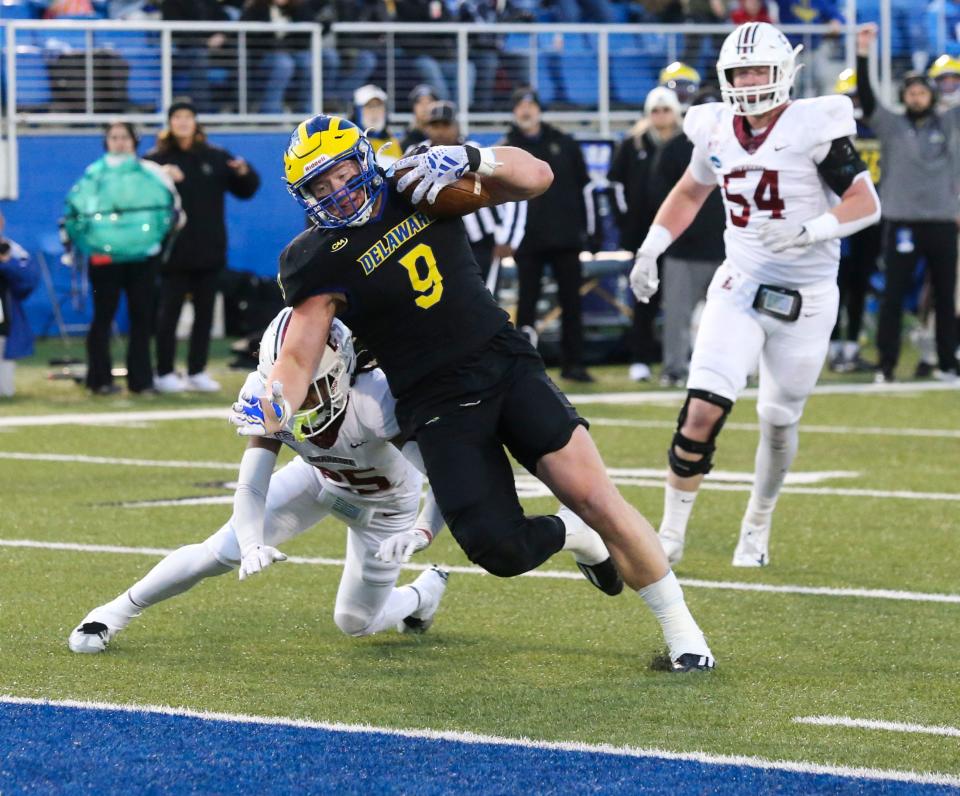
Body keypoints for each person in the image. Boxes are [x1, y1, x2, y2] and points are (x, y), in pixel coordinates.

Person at [235, 113, 716, 672]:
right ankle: (573, 536)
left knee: (594, 493)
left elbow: (536, 177)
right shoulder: (314, 258)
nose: (337, 193)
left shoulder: (414, 184)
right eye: (320, 186)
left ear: (362, 161)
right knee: (498, 550)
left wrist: (473, 157)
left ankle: (685, 637)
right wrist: (276, 402)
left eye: (341, 174)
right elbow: (298, 357)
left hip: (501, 361)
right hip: (432, 402)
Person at [631, 22, 880, 568]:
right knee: (701, 410)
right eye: (739, 71)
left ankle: (757, 522)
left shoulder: (813, 126)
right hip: (739, 283)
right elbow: (692, 188)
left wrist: (811, 229)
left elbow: (866, 202)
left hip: (807, 296)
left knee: (777, 418)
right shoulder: (716, 127)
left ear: (783, 72)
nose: (748, 82)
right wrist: (651, 247)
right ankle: (670, 535)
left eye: (757, 70)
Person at [68, 312, 450, 653]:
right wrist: (251, 544)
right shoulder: (266, 393)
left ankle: (422, 594)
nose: (297, 400)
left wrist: (421, 531)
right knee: (219, 551)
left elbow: (446, 476)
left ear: (342, 372)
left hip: (384, 511)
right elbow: (251, 485)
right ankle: (112, 613)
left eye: (310, 385)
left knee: (355, 622)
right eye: (284, 384)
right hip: (317, 480)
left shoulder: (374, 397)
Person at [856, 24, 960, 382]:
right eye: (911, 92)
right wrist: (863, 53)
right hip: (902, 222)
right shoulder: (891, 125)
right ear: (904, 96)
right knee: (893, 296)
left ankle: (947, 363)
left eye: (922, 92)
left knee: (945, 298)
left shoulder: (949, 123)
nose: (917, 97)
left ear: (931, 95)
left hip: (943, 222)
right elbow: (867, 97)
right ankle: (886, 366)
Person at [146, 99, 261, 393]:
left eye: (188, 117)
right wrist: (160, 176)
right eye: (177, 117)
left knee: (204, 315)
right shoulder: (157, 160)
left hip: (210, 251)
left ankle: (197, 370)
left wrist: (245, 172)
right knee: (168, 315)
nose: (183, 122)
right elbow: (138, 192)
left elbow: (246, 190)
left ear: (196, 122)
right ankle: (165, 372)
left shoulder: (216, 156)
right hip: (173, 252)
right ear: (169, 123)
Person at [63, 121, 182, 396]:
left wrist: (157, 237)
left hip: (144, 257)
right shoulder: (93, 175)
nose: (119, 142)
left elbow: (173, 212)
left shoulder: (151, 173)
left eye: (124, 137)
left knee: (142, 318)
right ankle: (99, 380)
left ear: (134, 141)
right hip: (104, 258)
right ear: (106, 142)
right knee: (103, 317)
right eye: (113, 137)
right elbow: (77, 211)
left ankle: (141, 382)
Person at [504, 87, 593, 383]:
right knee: (526, 305)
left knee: (573, 303)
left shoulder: (564, 143)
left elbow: (584, 189)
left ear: (539, 109)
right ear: (514, 111)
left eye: (530, 105)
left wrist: (588, 231)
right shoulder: (507, 148)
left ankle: (574, 364)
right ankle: (525, 367)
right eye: (520, 105)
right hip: (528, 240)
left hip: (566, 236)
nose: (526, 111)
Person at [648, 88, 726, 387]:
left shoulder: (740, 147)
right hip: (683, 249)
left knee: (730, 318)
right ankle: (674, 368)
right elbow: (660, 198)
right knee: (677, 318)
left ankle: (727, 370)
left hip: (726, 247)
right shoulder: (675, 150)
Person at [608, 86, 682, 383]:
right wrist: (627, 223)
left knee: (680, 300)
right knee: (643, 297)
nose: (661, 116)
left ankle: (680, 358)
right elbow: (615, 187)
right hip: (643, 234)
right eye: (655, 110)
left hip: (680, 236)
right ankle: (640, 357)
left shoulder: (687, 144)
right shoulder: (632, 145)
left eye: (666, 110)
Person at [416, 100, 527, 292]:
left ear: (456, 127)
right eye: (435, 125)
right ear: (426, 128)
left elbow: (511, 187)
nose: (441, 131)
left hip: (482, 241)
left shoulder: (475, 152)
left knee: (486, 297)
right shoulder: (416, 155)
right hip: (438, 240)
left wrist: (508, 238)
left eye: (446, 125)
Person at [827, 68, 881, 373]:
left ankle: (850, 346)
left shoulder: (877, 130)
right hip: (841, 216)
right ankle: (834, 347)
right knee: (837, 284)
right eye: (850, 97)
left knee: (860, 284)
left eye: (858, 97)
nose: (855, 103)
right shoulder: (831, 136)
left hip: (870, 219)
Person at [0, 214, 37, 398]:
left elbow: (28, 281)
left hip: (3, 316)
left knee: (5, 390)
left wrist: (6, 263)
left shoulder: (11, 250)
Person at [353, 84, 403, 167]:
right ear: (357, 112)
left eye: (379, 106)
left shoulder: (393, 144)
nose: (375, 111)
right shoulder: (349, 143)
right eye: (370, 106)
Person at [399, 84, 438, 153]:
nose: (425, 106)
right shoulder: (404, 142)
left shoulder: (444, 138)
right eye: (420, 102)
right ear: (413, 107)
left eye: (429, 102)